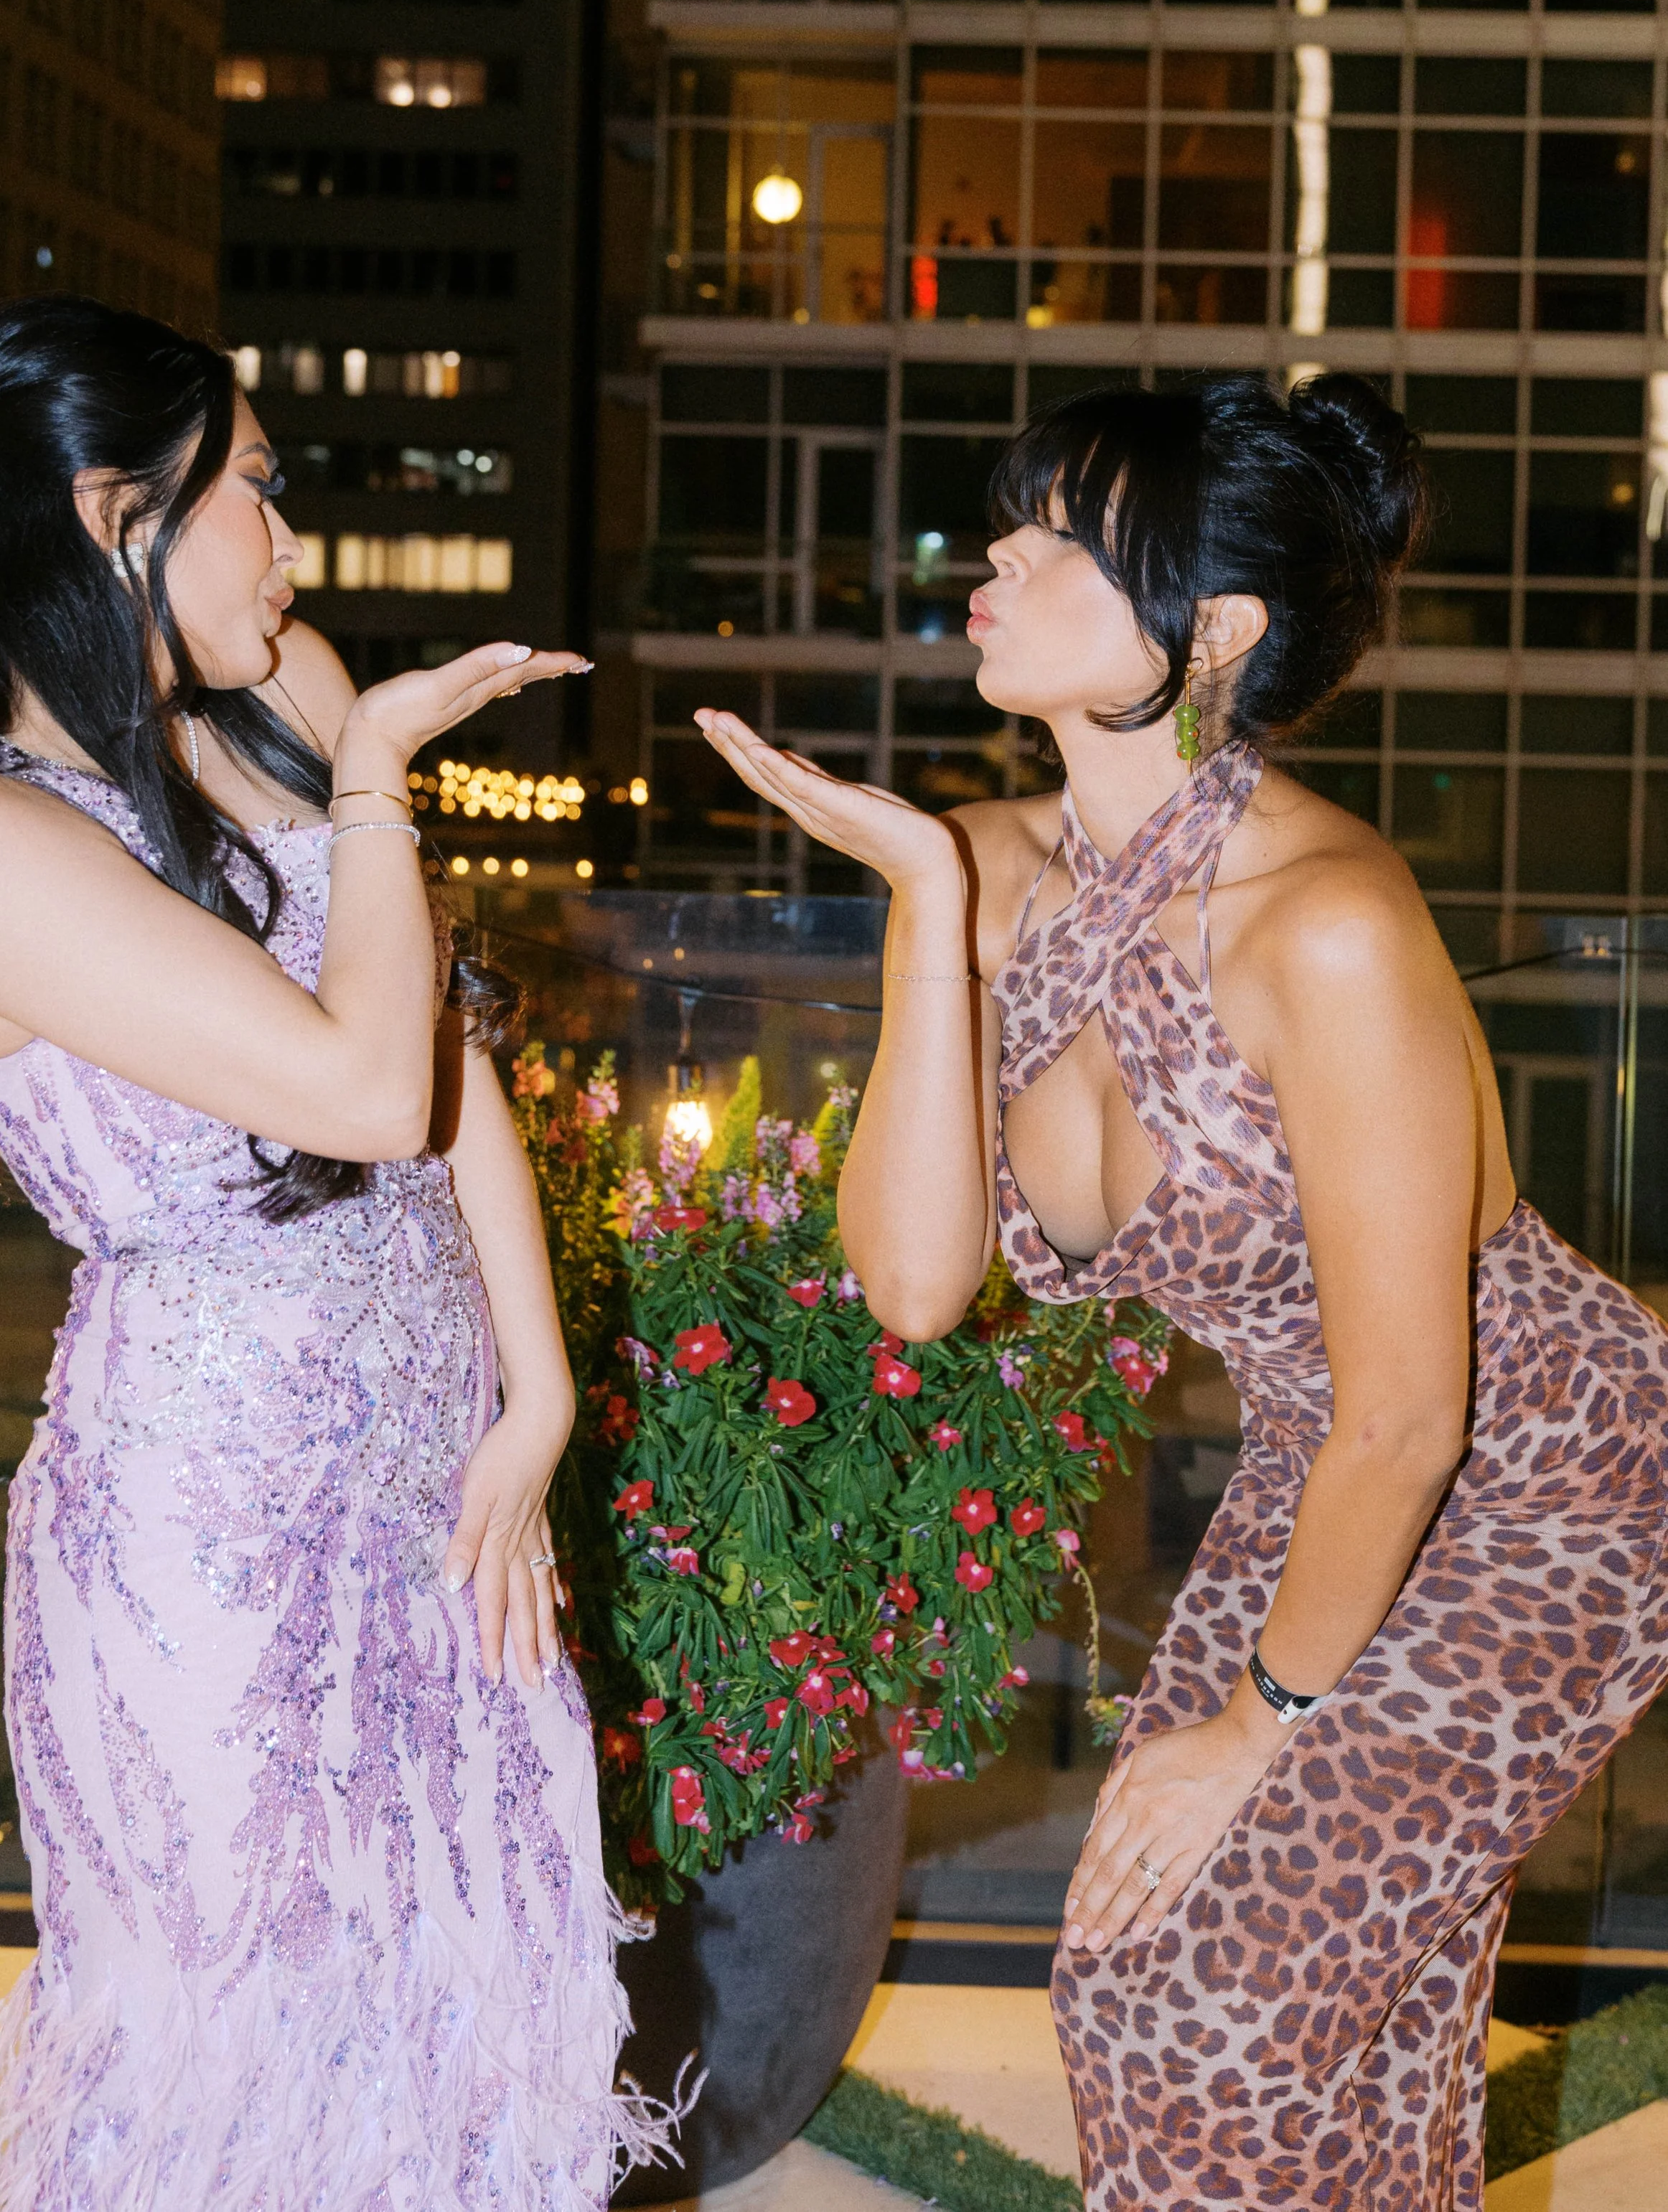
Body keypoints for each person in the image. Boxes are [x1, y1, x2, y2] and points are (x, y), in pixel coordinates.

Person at [692, 371, 1668, 2211]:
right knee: (1203, 1994)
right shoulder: (984, 872)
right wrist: (913, 891)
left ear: (1204, 630)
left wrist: (1256, 1728)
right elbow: (910, 1288)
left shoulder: (1327, 920)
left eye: (1058, 533)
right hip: (1338, 1468)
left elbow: (1413, 1410)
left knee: (1205, 1993)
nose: (995, 551)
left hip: (1550, 1484)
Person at [0, 299, 662, 2209]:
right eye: (265, 493)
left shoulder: (261, 690)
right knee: (249, 2060)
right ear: (113, 508)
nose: (297, 548)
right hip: (213, 1520)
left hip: (429, 1471)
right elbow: (366, 1087)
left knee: (452, 2004)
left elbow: (448, 1041)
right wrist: (377, 779)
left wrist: (533, 1399)